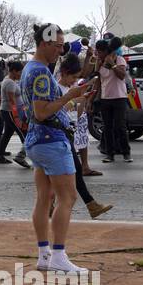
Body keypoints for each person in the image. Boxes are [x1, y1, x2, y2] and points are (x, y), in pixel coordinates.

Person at [20, 24, 100, 274]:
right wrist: (69, 97)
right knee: (68, 197)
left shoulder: (30, 69)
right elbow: (42, 112)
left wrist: (70, 98)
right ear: (44, 43)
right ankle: (58, 256)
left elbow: (42, 110)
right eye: (58, 46)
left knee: (45, 198)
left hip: (37, 141)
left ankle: (45, 254)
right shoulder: (42, 73)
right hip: (51, 140)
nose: (61, 51)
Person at [55, 54, 113, 219]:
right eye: (72, 77)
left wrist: (82, 101)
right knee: (71, 171)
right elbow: (57, 111)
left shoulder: (69, 89)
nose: (74, 81)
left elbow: (75, 113)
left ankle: (88, 205)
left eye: (76, 78)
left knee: (68, 172)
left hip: (68, 133)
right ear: (64, 73)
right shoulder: (58, 89)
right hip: (60, 135)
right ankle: (90, 205)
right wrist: (74, 100)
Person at [97, 38, 133, 163]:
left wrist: (112, 65)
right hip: (105, 98)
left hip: (119, 97)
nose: (99, 54)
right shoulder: (101, 62)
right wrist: (100, 62)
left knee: (120, 126)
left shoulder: (119, 60)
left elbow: (122, 75)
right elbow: (98, 76)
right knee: (107, 127)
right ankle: (109, 154)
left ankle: (126, 153)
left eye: (101, 52)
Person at [0, 59, 30, 169]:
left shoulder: (9, 80)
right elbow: (12, 101)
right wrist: (18, 117)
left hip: (8, 111)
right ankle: (21, 156)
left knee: (7, 134)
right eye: (20, 72)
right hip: (10, 112)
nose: (21, 74)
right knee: (24, 133)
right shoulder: (9, 82)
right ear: (14, 71)